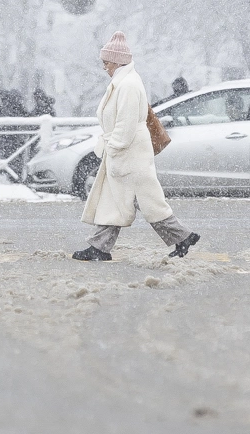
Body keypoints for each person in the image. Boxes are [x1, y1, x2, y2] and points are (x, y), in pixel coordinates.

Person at [72, 32, 200, 262]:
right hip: (126, 151)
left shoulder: (128, 84)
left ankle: (182, 236)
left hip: (128, 152)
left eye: (106, 62)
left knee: (145, 200)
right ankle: (100, 248)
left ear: (118, 61)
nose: (104, 67)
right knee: (120, 200)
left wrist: (114, 147)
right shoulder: (123, 82)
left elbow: (126, 121)